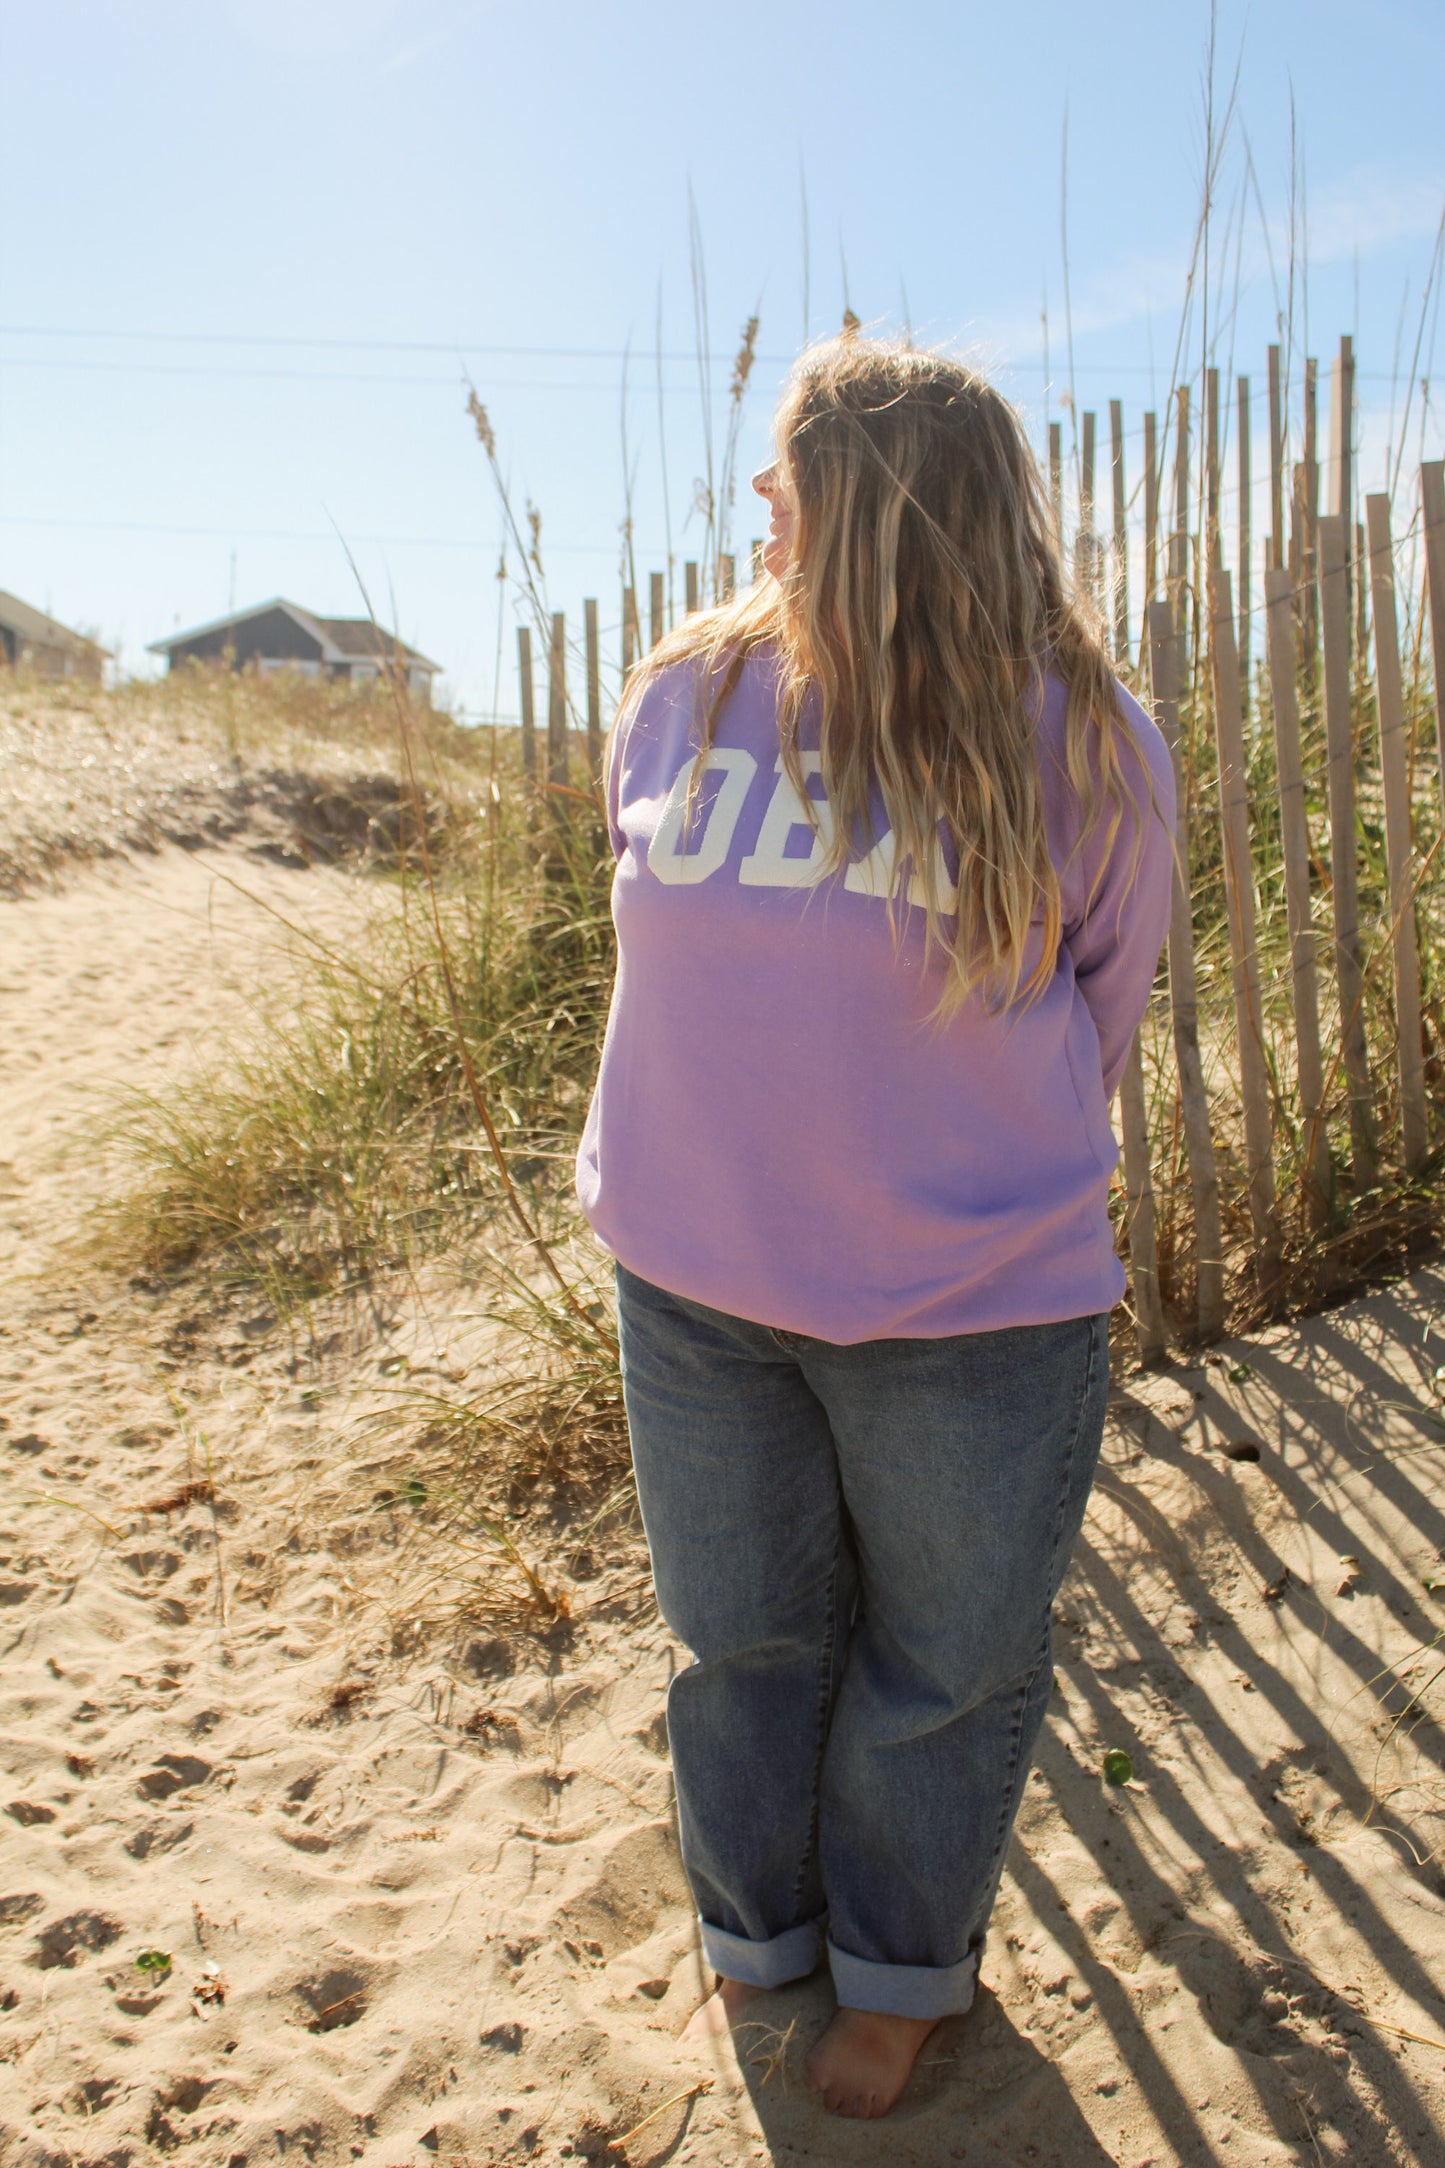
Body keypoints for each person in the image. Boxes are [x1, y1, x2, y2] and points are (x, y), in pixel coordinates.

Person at [575, 334, 1175, 2121]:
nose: (757, 500)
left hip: (972, 1310)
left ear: (890, 505)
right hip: (691, 1287)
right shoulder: (686, 686)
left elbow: (1105, 999)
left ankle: (903, 1974)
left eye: (790, 471)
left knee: (944, 1669)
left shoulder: (1082, 735)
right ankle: (757, 1942)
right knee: (737, 1640)